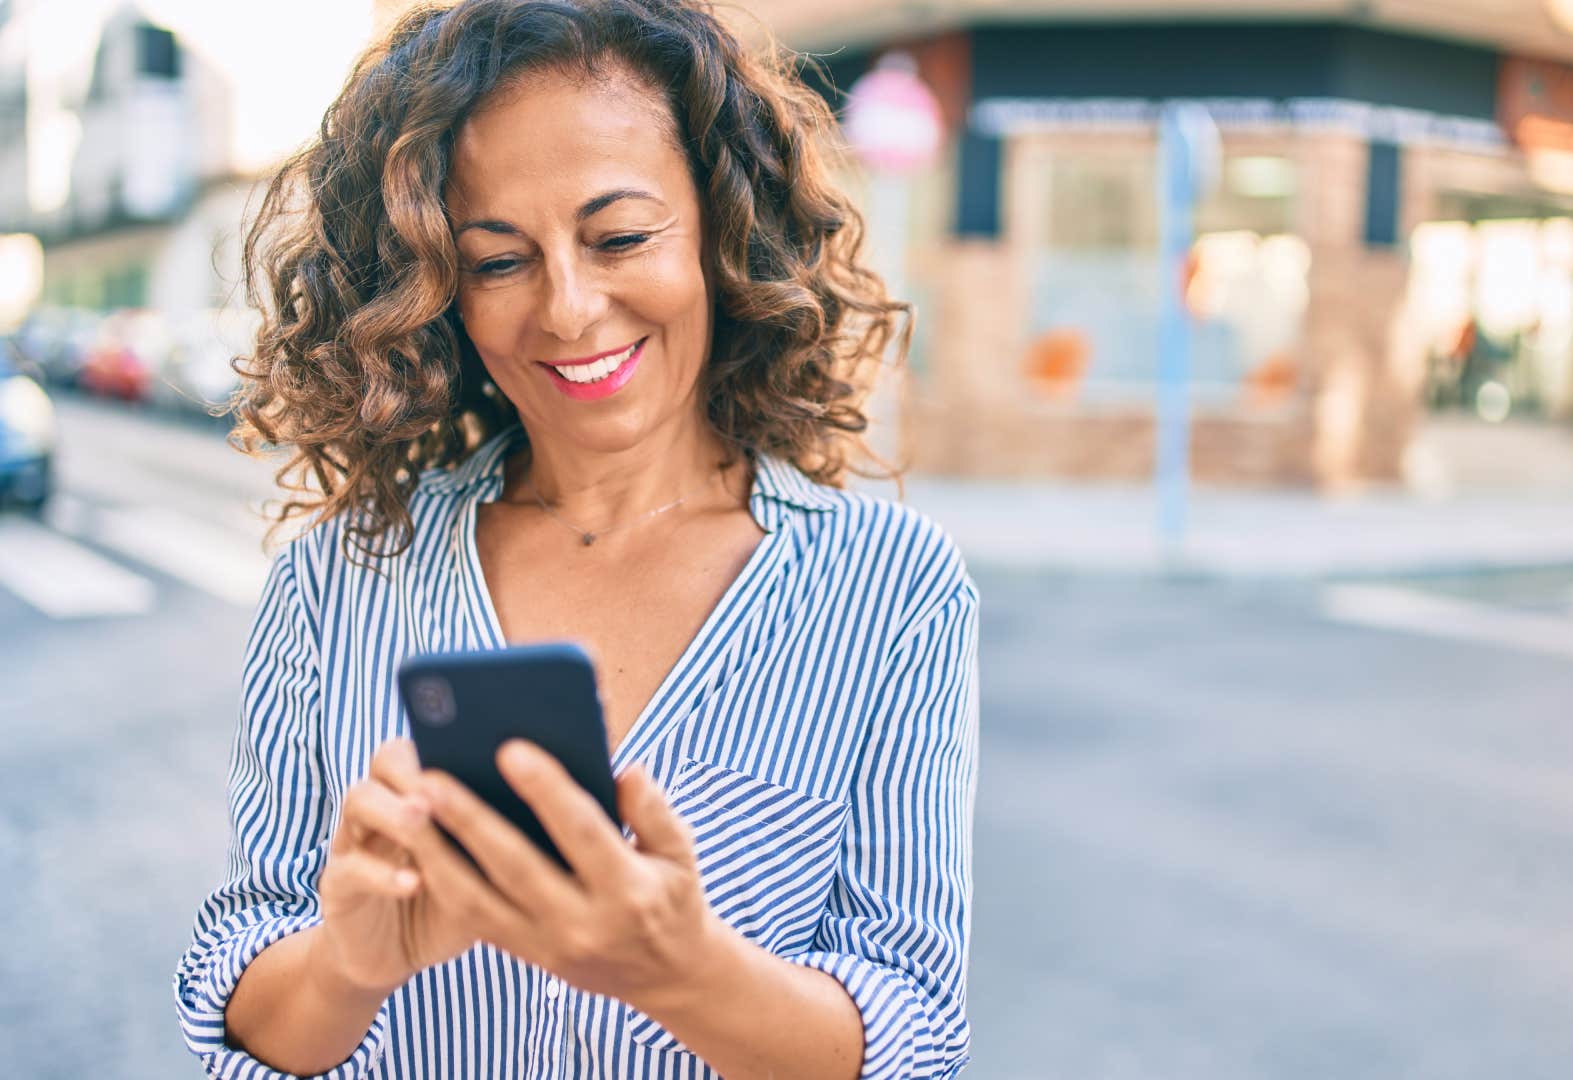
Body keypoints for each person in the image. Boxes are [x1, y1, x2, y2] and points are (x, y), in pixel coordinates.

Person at [170, 1, 980, 1078]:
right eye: (498, 261)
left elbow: (914, 1026)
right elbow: (246, 984)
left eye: (620, 237)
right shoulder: (337, 582)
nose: (567, 308)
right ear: (436, 289)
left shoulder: (893, 589)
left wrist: (686, 972)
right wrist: (347, 965)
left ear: (721, 230)